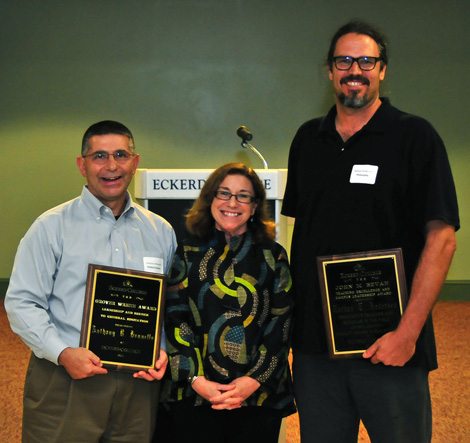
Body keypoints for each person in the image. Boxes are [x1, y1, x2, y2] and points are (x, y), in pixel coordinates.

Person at [282, 21, 459, 443]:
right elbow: (302, 235)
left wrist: (408, 333)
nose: (354, 69)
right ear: (329, 71)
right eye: (344, 60)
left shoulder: (415, 137)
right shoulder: (308, 139)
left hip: (390, 342)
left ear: (382, 70)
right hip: (316, 348)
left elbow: (442, 237)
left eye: (366, 60)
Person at [4, 120, 177, 442]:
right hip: (65, 377)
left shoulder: (160, 231)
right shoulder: (50, 227)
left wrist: (162, 348)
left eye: (121, 155)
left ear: (135, 162)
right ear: (82, 165)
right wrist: (62, 352)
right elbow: (21, 302)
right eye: (99, 156)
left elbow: (166, 305)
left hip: (137, 385)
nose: (111, 166)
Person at [161, 163, 295, 443]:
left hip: (257, 396)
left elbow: (281, 323)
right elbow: (176, 317)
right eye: (224, 193)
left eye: (243, 195)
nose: (232, 203)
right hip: (196, 394)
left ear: (255, 205)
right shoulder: (187, 251)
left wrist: (252, 381)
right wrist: (197, 380)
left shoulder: (274, 256)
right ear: (210, 199)